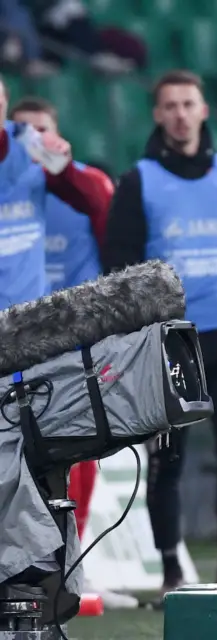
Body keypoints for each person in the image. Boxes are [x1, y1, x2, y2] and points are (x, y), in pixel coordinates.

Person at [102, 69, 217, 591]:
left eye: (188, 103)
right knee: (169, 459)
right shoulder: (138, 180)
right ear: (157, 114)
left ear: (204, 110)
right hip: (168, 341)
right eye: (169, 105)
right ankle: (171, 566)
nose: (179, 114)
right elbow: (119, 267)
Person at [9, 95, 136, 610]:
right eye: (24, 131)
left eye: (44, 130)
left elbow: (114, 235)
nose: (34, 139)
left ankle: (71, 564)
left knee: (79, 451)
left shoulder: (82, 186)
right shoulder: (16, 183)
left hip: (75, 343)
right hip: (19, 336)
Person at [0, 77, 111, 309]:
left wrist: (62, 166)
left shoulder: (58, 173)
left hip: (37, 317)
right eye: (30, 130)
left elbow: (98, 205)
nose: (36, 136)